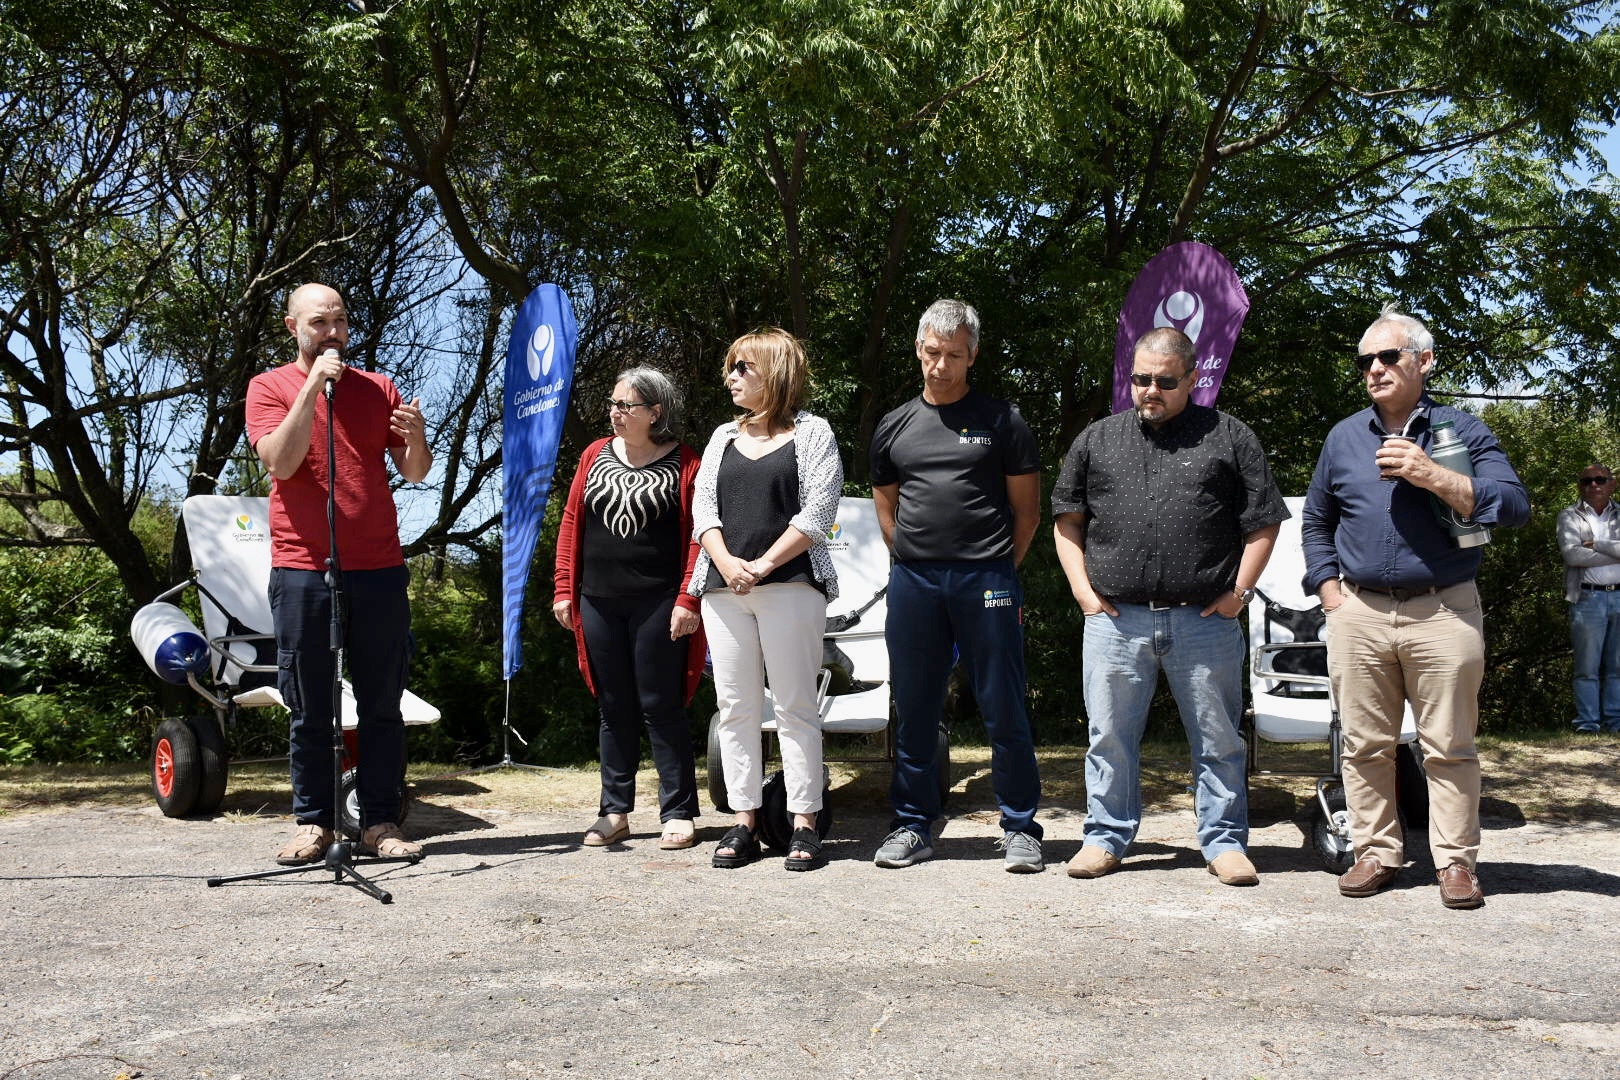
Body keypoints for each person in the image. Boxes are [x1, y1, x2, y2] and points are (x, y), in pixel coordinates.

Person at [1301, 304, 1529, 909]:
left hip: (1444, 609)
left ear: (1423, 361)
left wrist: (1433, 475)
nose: (1373, 369)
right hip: (1360, 611)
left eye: (1387, 356)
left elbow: (1512, 505)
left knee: (1449, 746)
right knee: (1363, 745)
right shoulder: (1344, 436)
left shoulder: (1462, 432)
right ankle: (1375, 852)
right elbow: (1316, 520)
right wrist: (1330, 592)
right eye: (1364, 361)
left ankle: (1455, 864)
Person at [1052, 327, 1287, 886]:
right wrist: (1085, 595)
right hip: (1116, 620)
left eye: (1163, 381)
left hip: (1204, 619)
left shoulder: (1230, 437)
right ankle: (1105, 837)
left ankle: (1224, 842)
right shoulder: (1097, 440)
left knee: (1219, 737)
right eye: (1139, 379)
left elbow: (1265, 522)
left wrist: (1239, 595)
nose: (1149, 390)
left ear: (1192, 378)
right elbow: (1067, 522)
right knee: (1108, 736)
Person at [244, 282, 432, 864]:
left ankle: (380, 822)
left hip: (377, 566)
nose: (332, 331)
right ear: (291, 326)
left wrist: (418, 435)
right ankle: (313, 823)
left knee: (382, 700)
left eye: (340, 321)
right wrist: (311, 388)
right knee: (311, 703)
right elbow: (280, 459)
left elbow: (417, 471)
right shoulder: (268, 387)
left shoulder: (378, 389)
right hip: (303, 566)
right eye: (320, 322)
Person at [869, 299, 1044, 872]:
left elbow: (1027, 513)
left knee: (1003, 704)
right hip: (915, 582)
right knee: (914, 706)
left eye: (955, 356)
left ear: (973, 356)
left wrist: (996, 568)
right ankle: (912, 824)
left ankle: (1021, 826)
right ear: (918, 348)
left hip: (988, 578)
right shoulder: (893, 423)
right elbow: (887, 507)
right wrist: (914, 560)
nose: (942, 366)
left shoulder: (1003, 421)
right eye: (933, 353)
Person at [689, 329, 842, 871]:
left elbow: (818, 513)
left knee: (796, 707)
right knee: (735, 709)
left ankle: (804, 825)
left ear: (774, 374)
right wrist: (728, 565)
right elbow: (702, 510)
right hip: (724, 590)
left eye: (741, 368)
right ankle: (744, 822)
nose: (730, 378)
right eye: (730, 367)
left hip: (792, 585)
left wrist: (763, 564)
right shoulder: (721, 437)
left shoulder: (814, 433)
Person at [552, 367, 707, 850]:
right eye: (614, 404)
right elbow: (572, 519)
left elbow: (699, 540)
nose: (616, 413)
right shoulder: (593, 455)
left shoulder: (686, 463)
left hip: (659, 603)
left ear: (655, 413)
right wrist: (563, 589)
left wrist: (688, 599)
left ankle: (678, 811)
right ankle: (614, 812)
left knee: (661, 706)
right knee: (612, 706)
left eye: (627, 406)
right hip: (596, 600)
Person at [1558, 464, 1620, 733]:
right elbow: (1572, 555)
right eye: (1586, 481)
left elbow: (1584, 553)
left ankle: (1615, 722)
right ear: (1579, 486)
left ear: (1612, 484)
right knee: (1587, 668)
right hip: (1588, 599)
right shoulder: (1569, 516)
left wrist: (1599, 546)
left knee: (1617, 666)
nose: (1593, 485)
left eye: (1600, 480)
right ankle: (1588, 724)